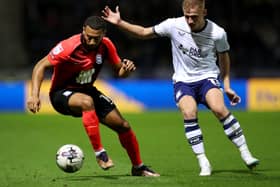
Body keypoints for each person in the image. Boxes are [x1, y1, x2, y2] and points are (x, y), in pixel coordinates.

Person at [102, 0, 259, 176]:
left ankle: (245, 152)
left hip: (207, 77)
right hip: (183, 81)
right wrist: (119, 22)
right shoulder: (173, 25)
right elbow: (144, 32)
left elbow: (224, 58)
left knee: (219, 108)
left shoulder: (218, 33)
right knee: (189, 113)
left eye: (194, 17)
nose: (190, 21)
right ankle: (203, 162)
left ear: (204, 12)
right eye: (187, 16)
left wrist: (227, 85)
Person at [26, 16, 160, 177]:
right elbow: (40, 66)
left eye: (96, 38)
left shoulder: (106, 45)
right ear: (83, 30)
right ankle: (100, 154)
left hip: (88, 90)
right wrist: (34, 95)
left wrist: (126, 70)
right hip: (61, 93)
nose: (91, 41)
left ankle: (138, 167)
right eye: (88, 37)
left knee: (123, 125)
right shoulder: (68, 47)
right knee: (86, 102)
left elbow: (119, 72)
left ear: (103, 34)